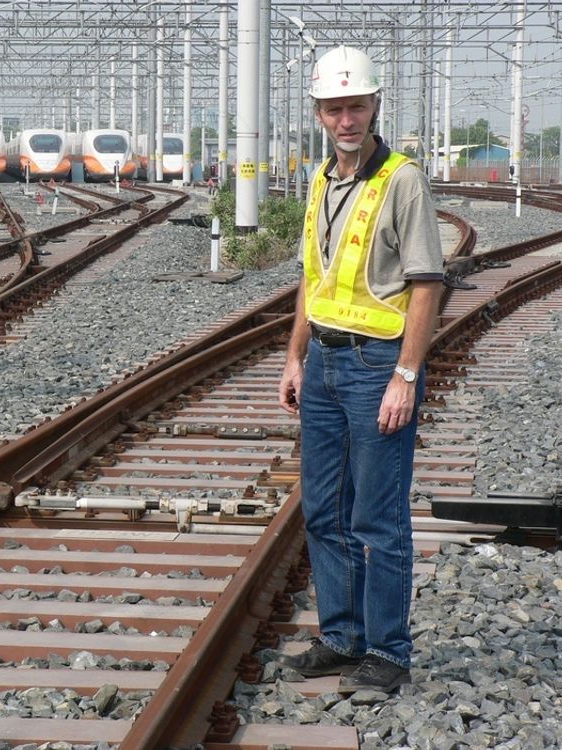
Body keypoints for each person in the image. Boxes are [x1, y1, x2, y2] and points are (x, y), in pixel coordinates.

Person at [276, 45, 444, 694]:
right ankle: (341, 638)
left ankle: (389, 652)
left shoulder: (401, 179)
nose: (346, 118)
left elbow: (426, 284)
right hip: (322, 361)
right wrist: (294, 356)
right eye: (333, 107)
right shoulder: (321, 180)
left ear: (375, 105)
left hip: (378, 364)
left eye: (356, 105)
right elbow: (312, 279)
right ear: (318, 113)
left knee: (377, 516)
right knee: (322, 509)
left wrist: (405, 374)